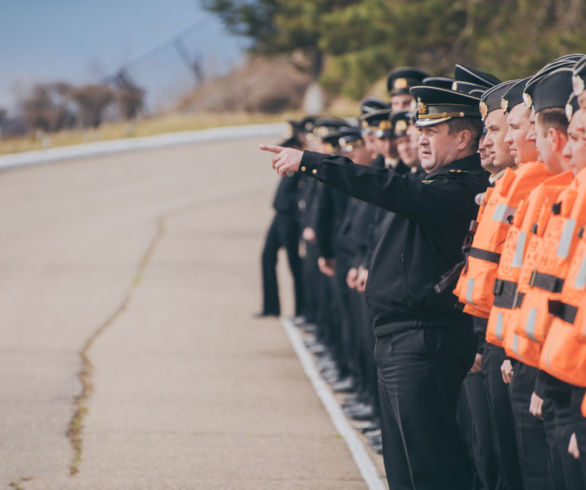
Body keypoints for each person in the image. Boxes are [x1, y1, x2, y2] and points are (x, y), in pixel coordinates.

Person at [260, 84, 489, 490]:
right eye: (420, 129)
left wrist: (314, 163)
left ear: (464, 137)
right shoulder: (438, 180)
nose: (419, 138)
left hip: (424, 338)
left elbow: (389, 188)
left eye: (432, 131)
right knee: (403, 468)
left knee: (431, 467)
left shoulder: (463, 185)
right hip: (400, 335)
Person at [257, 133, 305, 318]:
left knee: (295, 265)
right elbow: (283, 144)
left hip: (291, 219)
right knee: (266, 257)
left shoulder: (304, 161)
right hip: (278, 216)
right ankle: (271, 308)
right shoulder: (292, 154)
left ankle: (301, 310)